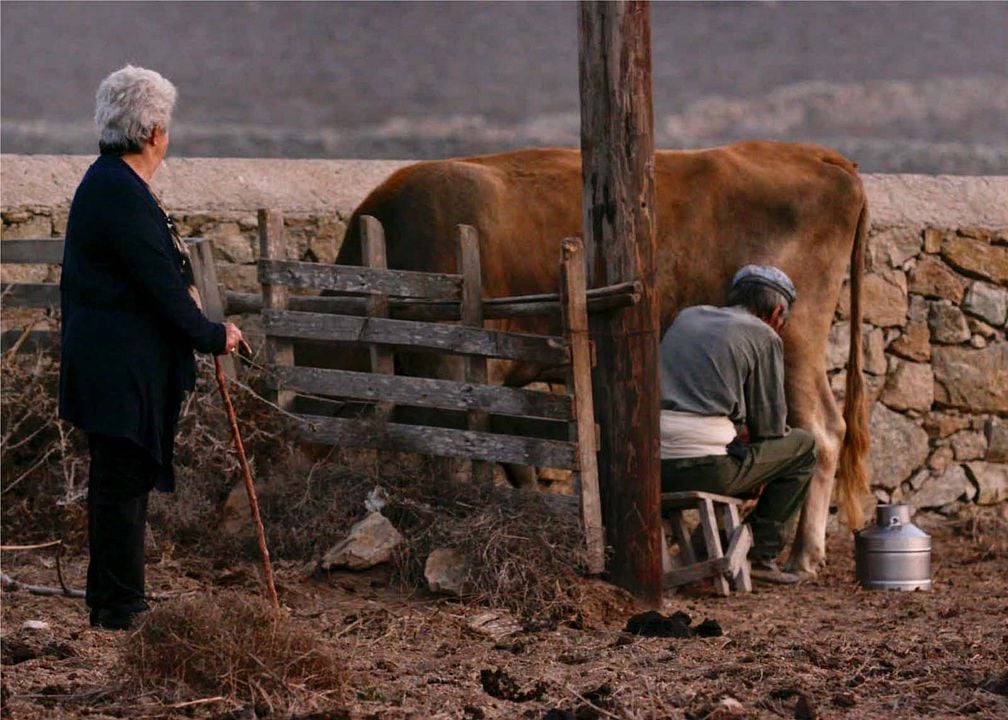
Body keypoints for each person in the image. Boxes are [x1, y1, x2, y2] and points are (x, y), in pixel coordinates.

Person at [59, 65, 245, 629]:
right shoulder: (117, 190)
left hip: (117, 363)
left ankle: (116, 599)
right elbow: (160, 285)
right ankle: (119, 606)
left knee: (124, 479)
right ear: (155, 131)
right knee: (120, 482)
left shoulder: (114, 185)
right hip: (118, 366)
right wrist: (213, 335)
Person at [659, 265, 816, 584]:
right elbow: (770, 428)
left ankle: (718, 541)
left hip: (651, 466)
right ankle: (762, 552)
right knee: (804, 447)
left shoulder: (686, 317)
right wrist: (758, 459)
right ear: (775, 313)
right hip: (707, 469)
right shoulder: (764, 334)